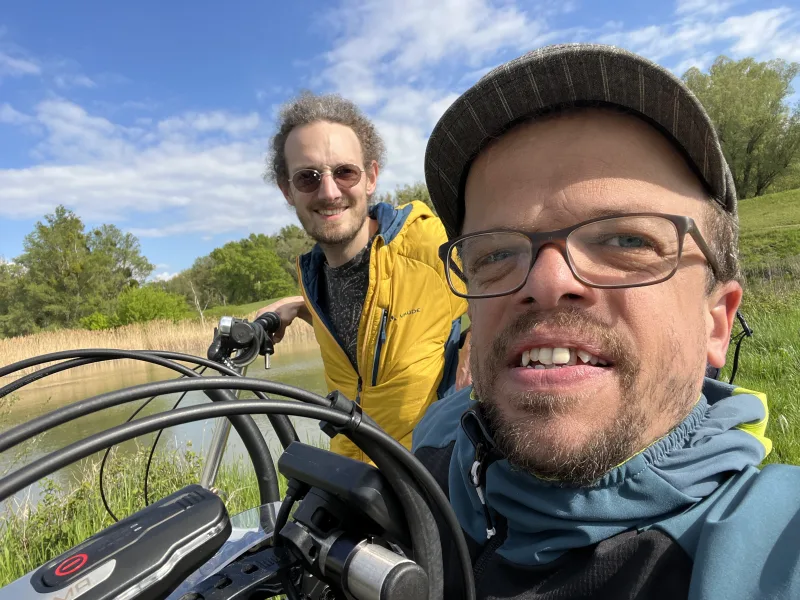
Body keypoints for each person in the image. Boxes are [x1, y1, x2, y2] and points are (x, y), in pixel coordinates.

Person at [413, 43, 799, 599]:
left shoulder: (771, 547)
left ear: (716, 322)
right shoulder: (435, 440)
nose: (546, 282)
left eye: (626, 239)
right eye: (495, 254)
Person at [259, 92, 470, 462]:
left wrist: (478, 339)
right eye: (307, 178)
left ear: (370, 177)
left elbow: (509, 291)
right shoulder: (311, 276)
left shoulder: (423, 241)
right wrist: (298, 306)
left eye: (344, 172)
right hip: (350, 473)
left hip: (429, 473)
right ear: (287, 190)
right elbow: (366, 324)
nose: (328, 192)